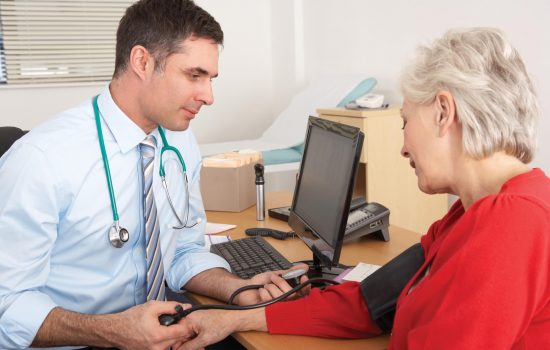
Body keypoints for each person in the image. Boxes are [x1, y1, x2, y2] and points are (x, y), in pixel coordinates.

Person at [175, 27, 550, 350]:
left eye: (405, 122)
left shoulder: (514, 222)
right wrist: (239, 319)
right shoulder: (468, 214)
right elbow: (372, 301)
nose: (403, 145)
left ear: (443, 112)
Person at [0, 0, 300, 349]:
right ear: (142, 61)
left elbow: (183, 249)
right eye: (194, 75)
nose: (208, 96)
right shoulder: (42, 159)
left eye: (210, 78)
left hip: (159, 329)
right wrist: (114, 330)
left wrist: (239, 289)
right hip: (77, 340)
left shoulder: (179, 140)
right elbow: (7, 306)